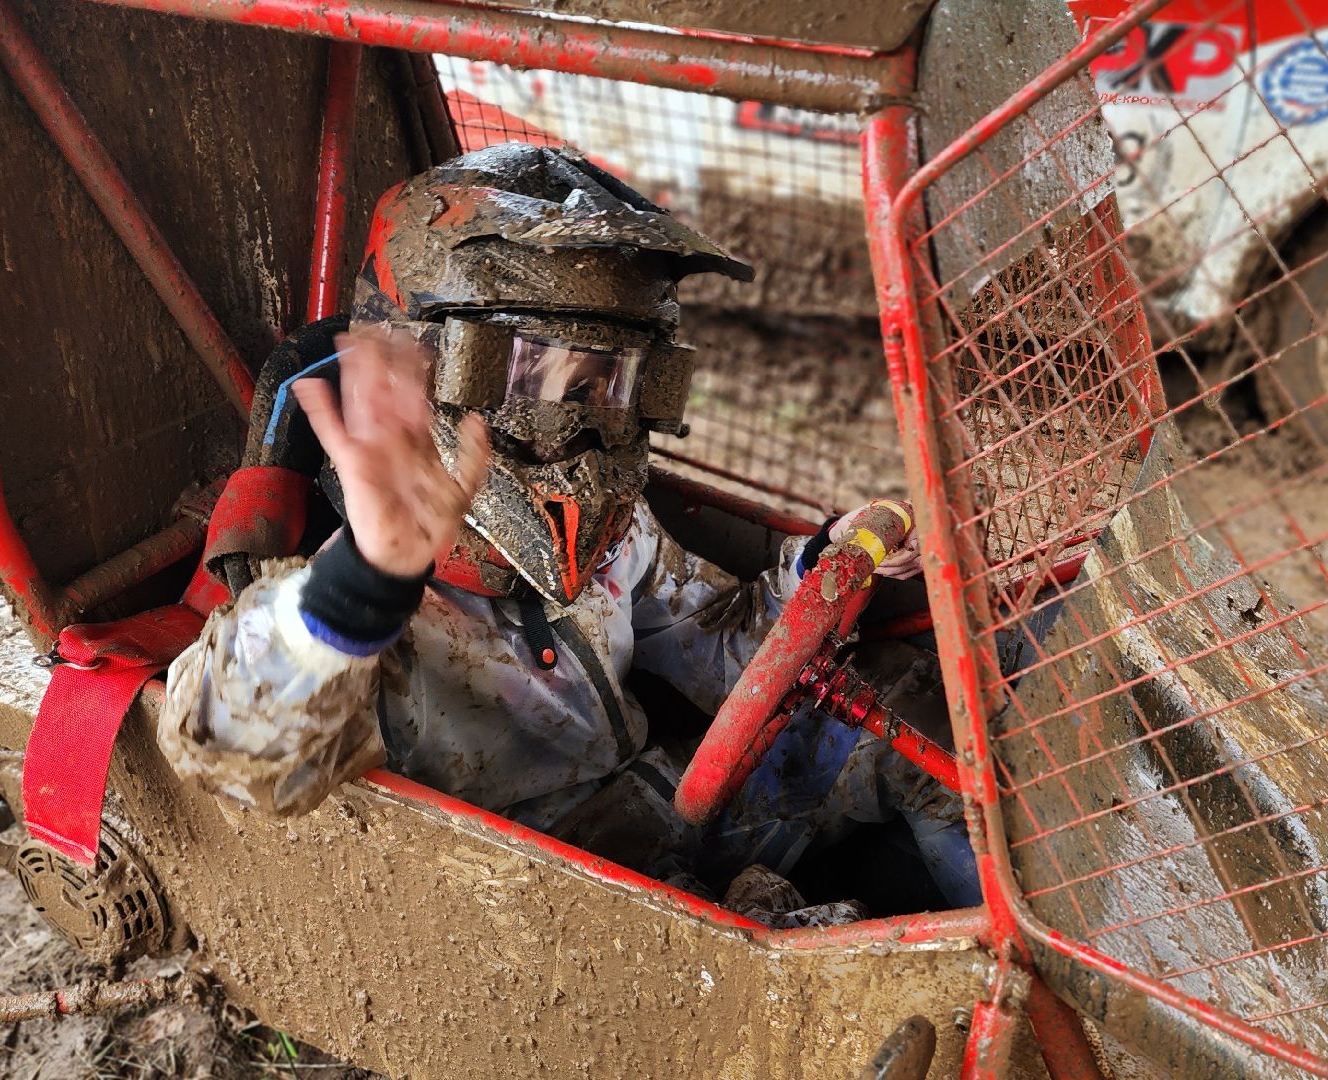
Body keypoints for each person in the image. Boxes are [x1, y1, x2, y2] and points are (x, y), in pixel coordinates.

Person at [158, 144, 978, 909]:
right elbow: (225, 747)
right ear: (431, 368)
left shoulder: (615, 536)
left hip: (670, 815)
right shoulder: (354, 606)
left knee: (919, 718)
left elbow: (727, 651)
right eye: (541, 377)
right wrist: (364, 582)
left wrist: (818, 566)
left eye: (611, 383)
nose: (585, 421)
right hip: (544, 908)